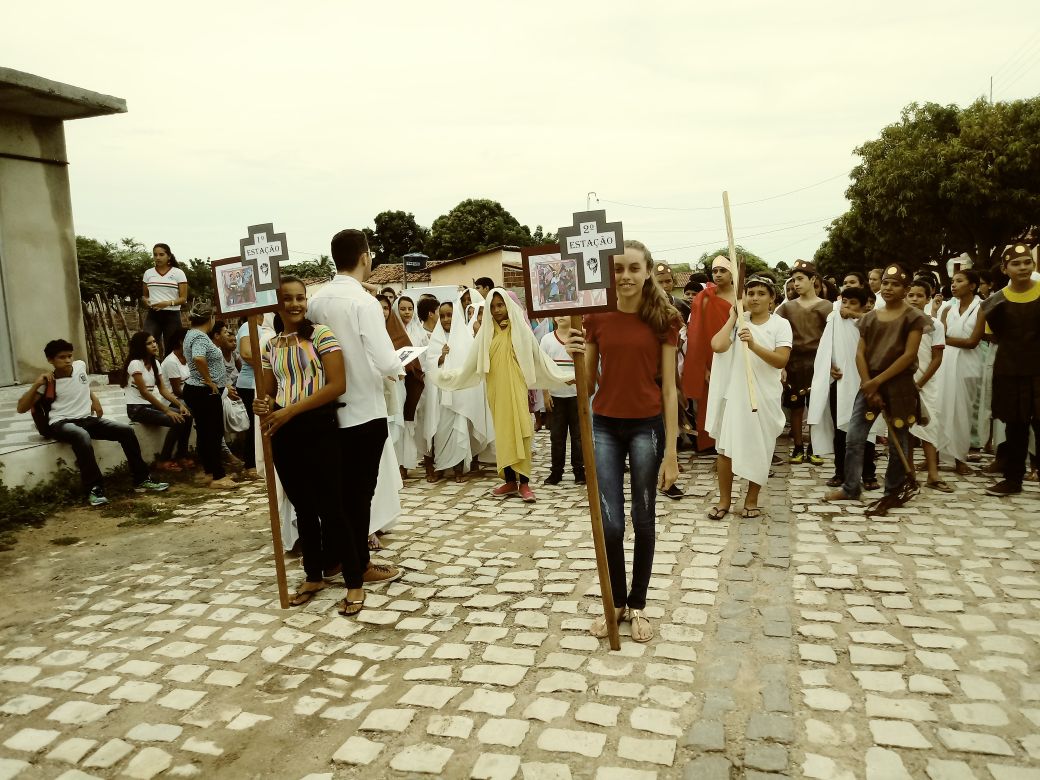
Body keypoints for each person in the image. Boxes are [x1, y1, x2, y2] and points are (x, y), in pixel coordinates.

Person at [580, 240, 681, 644]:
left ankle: (638, 605)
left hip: (647, 427)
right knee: (611, 523)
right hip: (604, 425)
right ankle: (615, 603)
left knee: (642, 518)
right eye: (618, 269)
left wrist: (671, 453)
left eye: (634, 268)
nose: (625, 276)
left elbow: (671, 390)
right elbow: (586, 383)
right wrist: (575, 353)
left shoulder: (665, 318)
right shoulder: (596, 317)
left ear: (648, 271)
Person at [307, 229, 403, 614]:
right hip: (363, 407)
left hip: (327, 408)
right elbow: (385, 360)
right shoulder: (363, 302)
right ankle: (359, 563)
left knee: (334, 492)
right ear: (365, 257)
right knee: (359, 492)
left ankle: (333, 557)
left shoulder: (317, 301)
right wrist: (401, 364)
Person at [253, 277, 352, 608]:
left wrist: (290, 410)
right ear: (277, 303)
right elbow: (269, 391)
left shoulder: (321, 335)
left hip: (318, 426)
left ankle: (354, 582)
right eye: (288, 298)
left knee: (332, 508)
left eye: (300, 298)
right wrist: (263, 404)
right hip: (284, 431)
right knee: (304, 509)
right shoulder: (270, 346)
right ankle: (313, 576)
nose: (295, 304)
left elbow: (337, 384)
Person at [435, 289, 573, 503]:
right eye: (493, 306)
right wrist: (449, 376)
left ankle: (525, 483)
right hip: (496, 391)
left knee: (523, 433)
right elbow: (471, 363)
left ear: (508, 305)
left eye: (501, 305)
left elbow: (540, 358)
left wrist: (563, 376)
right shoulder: (486, 334)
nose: (497, 310)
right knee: (504, 435)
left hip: (518, 389)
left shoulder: (521, 330)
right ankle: (510, 481)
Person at [17, 339, 168, 506]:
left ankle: (141, 479)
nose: (67, 360)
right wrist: (36, 384)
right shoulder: (48, 382)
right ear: (50, 360)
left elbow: (83, 385)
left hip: (86, 419)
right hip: (61, 422)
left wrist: (94, 399)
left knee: (125, 430)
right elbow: (21, 408)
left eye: (69, 356)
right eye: (61, 357)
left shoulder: (80, 366)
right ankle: (94, 489)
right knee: (82, 436)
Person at [826, 264, 930, 503]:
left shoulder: (914, 317)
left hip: (899, 385)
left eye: (895, 284)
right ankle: (851, 487)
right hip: (869, 381)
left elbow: (908, 355)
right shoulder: (870, 317)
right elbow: (860, 353)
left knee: (898, 441)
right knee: (854, 436)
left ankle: (892, 490)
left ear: (905, 289)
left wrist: (877, 382)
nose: (888, 288)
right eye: (885, 283)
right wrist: (867, 383)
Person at [705, 275, 792, 519]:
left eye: (761, 293)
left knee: (760, 447)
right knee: (726, 448)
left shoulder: (780, 325)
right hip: (736, 394)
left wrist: (753, 345)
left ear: (772, 299)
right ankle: (724, 501)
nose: (754, 298)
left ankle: (751, 500)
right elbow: (717, 345)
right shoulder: (739, 322)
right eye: (750, 293)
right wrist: (734, 315)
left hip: (764, 396)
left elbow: (781, 360)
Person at [980, 243, 1040, 496]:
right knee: (1015, 426)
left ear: (1033, 265)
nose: (1023, 267)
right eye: (1016, 263)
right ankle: (1013, 479)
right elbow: (993, 337)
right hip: (1010, 369)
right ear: (1005, 268)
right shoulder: (994, 302)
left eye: (1027, 262)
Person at [807, 287, 878, 490]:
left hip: (864, 382)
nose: (846, 307)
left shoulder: (873, 321)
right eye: (844, 302)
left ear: (865, 305)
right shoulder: (834, 318)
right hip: (840, 382)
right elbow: (825, 348)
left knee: (867, 430)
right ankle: (841, 472)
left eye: (852, 303)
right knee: (841, 431)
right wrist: (830, 367)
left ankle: (868, 474)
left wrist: (855, 315)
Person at [776, 260, 832, 465]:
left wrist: (833, 363)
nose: (796, 284)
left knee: (817, 406)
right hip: (794, 362)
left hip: (818, 362)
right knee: (796, 406)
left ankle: (816, 446)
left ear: (813, 280)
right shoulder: (787, 308)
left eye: (801, 279)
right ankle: (798, 447)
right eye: (794, 280)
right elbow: (777, 336)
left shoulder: (826, 306)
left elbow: (834, 337)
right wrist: (781, 365)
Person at [181, 304, 238, 489]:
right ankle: (218, 476)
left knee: (206, 434)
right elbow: (198, 358)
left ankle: (209, 472)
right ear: (210, 318)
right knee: (213, 433)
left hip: (199, 390)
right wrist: (209, 380)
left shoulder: (191, 334)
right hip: (204, 390)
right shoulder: (198, 336)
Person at [682, 257, 735, 453]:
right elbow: (696, 335)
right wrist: (702, 367)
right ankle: (714, 442)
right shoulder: (704, 298)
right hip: (712, 358)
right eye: (715, 271)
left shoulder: (743, 296)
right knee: (713, 402)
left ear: (732, 273)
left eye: (723, 270)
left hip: (738, 356)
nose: (719, 274)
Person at [122, 331, 192, 472]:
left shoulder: (155, 363)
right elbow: (144, 392)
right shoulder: (135, 364)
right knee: (176, 419)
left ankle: (181, 456)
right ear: (140, 346)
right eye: (149, 343)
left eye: (154, 342)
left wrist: (180, 405)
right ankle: (163, 460)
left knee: (187, 415)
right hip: (136, 409)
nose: (154, 345)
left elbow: (163, 390)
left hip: (148, 406)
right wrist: (166, 410)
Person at [938, 269, 985, 475]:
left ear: (972, 286)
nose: (953, 285)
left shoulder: (981, 308)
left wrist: (946, 340)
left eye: (959, 281)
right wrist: (946, 341)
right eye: (952, 281)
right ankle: (937, 454)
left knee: (962, 412)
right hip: (946, 363)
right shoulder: (948, 308)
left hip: (968, 365)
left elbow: (972, 342)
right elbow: (939, 336)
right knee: (941, 407)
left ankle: (959, 458)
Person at [906, 278, 951, 492]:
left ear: (928, 298)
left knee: (929, 426)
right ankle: (908, 473)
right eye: (911, 295)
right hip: (903, 382)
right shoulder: (899, 322)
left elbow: (937, 358)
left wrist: (920, 383)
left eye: (919, 295)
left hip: (926, 383)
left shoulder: (936, 325)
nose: (915, 299)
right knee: (903, 428)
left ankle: (933, 474)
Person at [540, 315, 584, 485]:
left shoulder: (579, 339)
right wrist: (545, 394)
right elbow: (543, 369)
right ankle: (556, 472)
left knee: (578, 437)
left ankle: (579, 471)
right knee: (556, 437)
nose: (560, 316)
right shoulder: (547, 340)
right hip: (556, 397)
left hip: (576, 396)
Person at [141, 243, 188, 356]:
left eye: (161, 254)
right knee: (146, 342)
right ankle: (151, 370)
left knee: (172, 348)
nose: (157, 257)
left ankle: (169, 371)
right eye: (155, 255)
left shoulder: (178, 273)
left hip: (172, 315)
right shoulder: (148, 273)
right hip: (153, 314)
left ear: (169, 256)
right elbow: (145, 295)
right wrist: (145, 300)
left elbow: (183, 298)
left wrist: (167, 303)